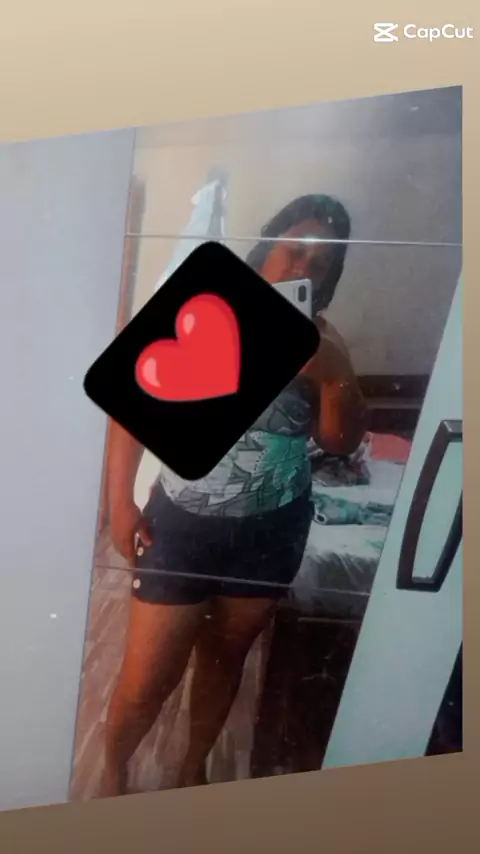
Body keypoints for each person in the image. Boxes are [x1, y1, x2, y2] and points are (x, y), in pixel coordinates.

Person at [100, 194, 366, 796]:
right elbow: (131, 408)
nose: (301, 267)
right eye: (293, 250)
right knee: (146, 680)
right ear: (268, 247)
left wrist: (333, 376)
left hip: (272, 532)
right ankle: (113, 769)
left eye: (319, 263)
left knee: (225, 662)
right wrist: (120, 500)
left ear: (329, 277)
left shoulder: (325, 344)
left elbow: (340, 441)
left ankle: (191, 766)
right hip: (182, 526)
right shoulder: (202, 307)